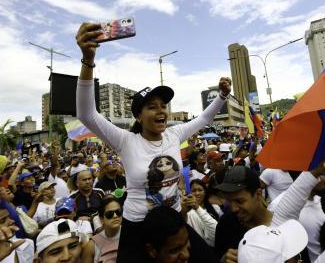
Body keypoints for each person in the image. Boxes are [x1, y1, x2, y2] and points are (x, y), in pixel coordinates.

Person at [75, 22, 231, 262]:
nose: (161, 111)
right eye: (152, 107)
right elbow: (87, 114)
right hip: (138, 228)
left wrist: (222, 95)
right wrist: (87, 60)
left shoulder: (174, 134)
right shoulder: (126, 140)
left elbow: (205, 117)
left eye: (163, 106)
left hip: (174, 221)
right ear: (138, 116)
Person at [214, 166, 273, 261]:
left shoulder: (281, 226)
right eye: (229, 201)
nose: (233, 209)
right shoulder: (226, 224)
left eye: (239, 201)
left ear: (258, 194)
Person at [182, 179, 222, 246]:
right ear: (189, 193)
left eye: (200, 190)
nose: (197, 193)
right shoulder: (188, 213)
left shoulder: (215, 208)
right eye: (194, 191)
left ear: (205, 192)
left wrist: (197, 207)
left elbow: (218, 231)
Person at [82, 197, 122, 263]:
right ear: (101, 219)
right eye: (110, 214)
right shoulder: (92, 246)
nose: (115, 216)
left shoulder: (131, 235)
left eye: (118, 212)